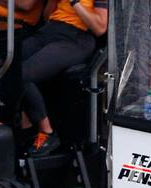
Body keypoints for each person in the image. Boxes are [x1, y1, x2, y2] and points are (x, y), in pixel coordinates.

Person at [19, 0, 109, 156]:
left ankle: (47, 132)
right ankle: (23, 125)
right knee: (5, 64)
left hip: (77, 37)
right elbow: (48, 16)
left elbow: (100, 28)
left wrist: (74, 2)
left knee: (22, 75)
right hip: (51, 30)